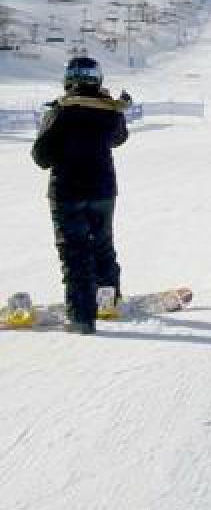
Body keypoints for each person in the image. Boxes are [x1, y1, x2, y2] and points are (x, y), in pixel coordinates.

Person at [31, 56, 130, 334]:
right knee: (102, 246)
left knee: (75, 253)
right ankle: (106, 303)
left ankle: (81, 317)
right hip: (102, 190)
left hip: (67, 192)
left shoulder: (60, 110)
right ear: (96, 79)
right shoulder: (110, 109)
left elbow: (41, 156)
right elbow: (119, 138)